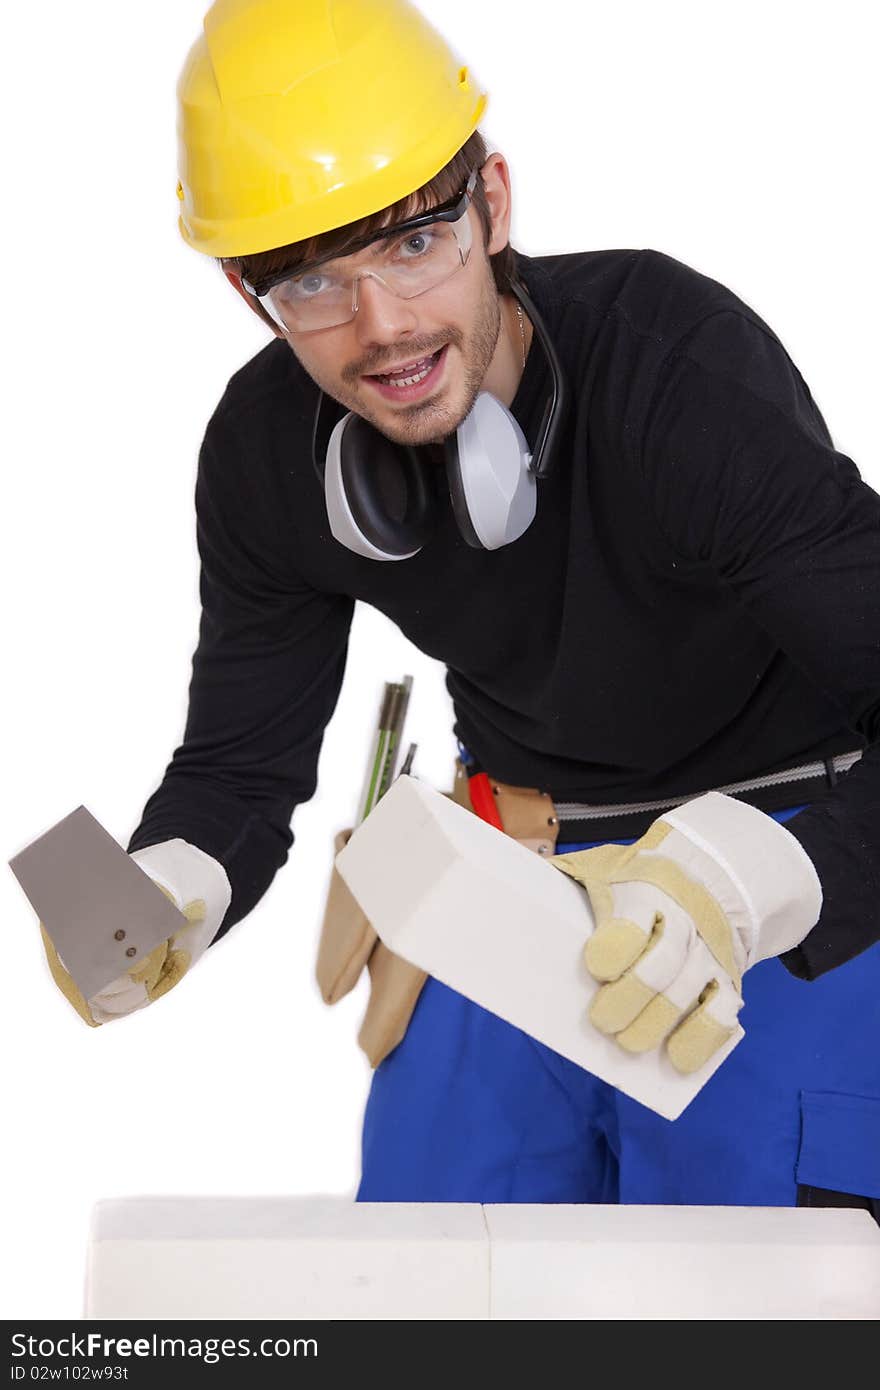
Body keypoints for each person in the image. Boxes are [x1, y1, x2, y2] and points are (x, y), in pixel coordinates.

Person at [45, 0, 880, 1217]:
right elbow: (237, 768)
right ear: (247, 293)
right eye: (311, 280)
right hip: (512, 881)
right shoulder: (266, 453)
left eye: (413, 242)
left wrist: (749, 878)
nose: (381, 327)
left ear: (492, 200)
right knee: (430, 1272)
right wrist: (177, 882)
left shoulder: (673, 372)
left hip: (782, 868)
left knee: (753, 1290)